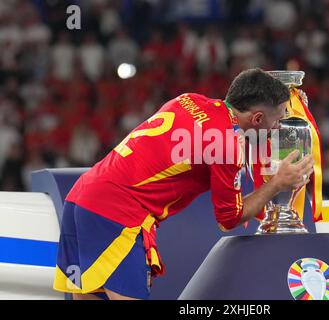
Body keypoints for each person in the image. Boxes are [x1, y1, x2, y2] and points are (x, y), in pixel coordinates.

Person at [53, 68, 314, 300]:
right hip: (117, 213)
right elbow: (229, 218)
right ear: (257, 119)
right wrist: (277, 183)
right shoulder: (225, 145)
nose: (278, 127)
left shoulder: (187, 100)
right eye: (277, 120)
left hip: (80, 199)